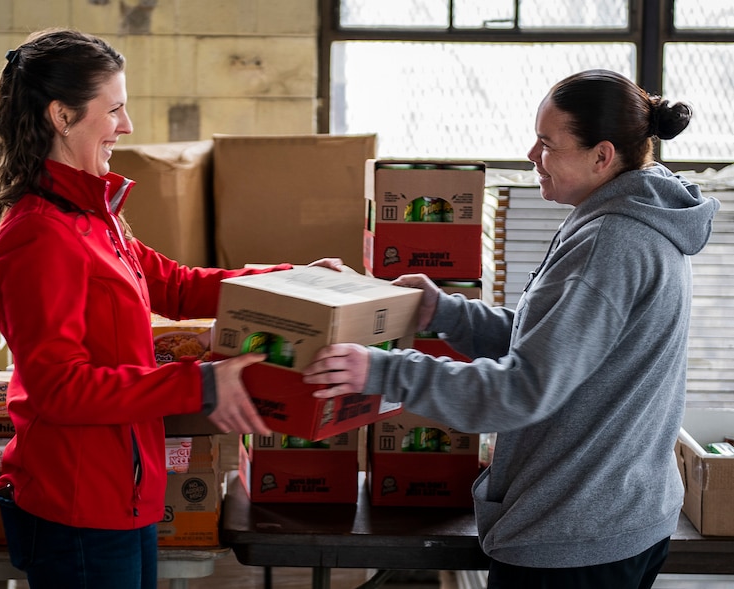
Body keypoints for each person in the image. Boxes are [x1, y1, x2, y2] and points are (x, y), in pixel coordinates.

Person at [302, 69, 720, 589]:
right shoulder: (636, 220)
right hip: (616, 511)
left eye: (547, 143)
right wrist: (443, 311)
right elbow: (557, 343)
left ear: (601, 156)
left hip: (576, 536)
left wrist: (381, 369)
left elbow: (519, 391)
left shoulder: (609, 243)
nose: (530, 155)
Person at [0, 28, 341, 589]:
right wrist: (201, 383)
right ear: (62, 116)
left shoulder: (92, 218)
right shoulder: (41, 236)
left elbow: (174, 286)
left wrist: (294, 279)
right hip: (78, 508)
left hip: (123, 494)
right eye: (116, 109)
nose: (126, 126)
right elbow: (58, 388)